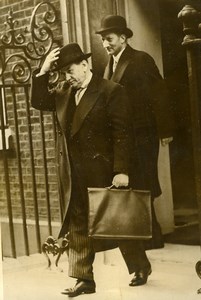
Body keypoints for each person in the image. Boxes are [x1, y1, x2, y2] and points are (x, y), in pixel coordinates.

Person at [30, 43, 152, 297]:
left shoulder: (110, 91)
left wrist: (122, 171)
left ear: (86, 64)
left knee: (117, 222)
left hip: (103, 170)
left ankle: (139, 266)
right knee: (78, 223)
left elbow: (122, 135)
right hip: (73, 173)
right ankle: (83, 279)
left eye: (71, 70)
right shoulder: (63, 91)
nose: (67, 77)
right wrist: (43, 71)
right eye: (62, 72)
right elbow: (39, 101)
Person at [96, 15, 174, 250]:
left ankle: (151, 236)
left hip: (142, 133)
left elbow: (159, 95)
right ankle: (149, 236)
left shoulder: (141, 60)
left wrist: (165, 129)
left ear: (123, 37)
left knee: (144, 182)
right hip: (122, 136)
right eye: (102, 40)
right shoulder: (107, 66)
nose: (105, 44)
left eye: (109, 39)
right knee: (133, 184)